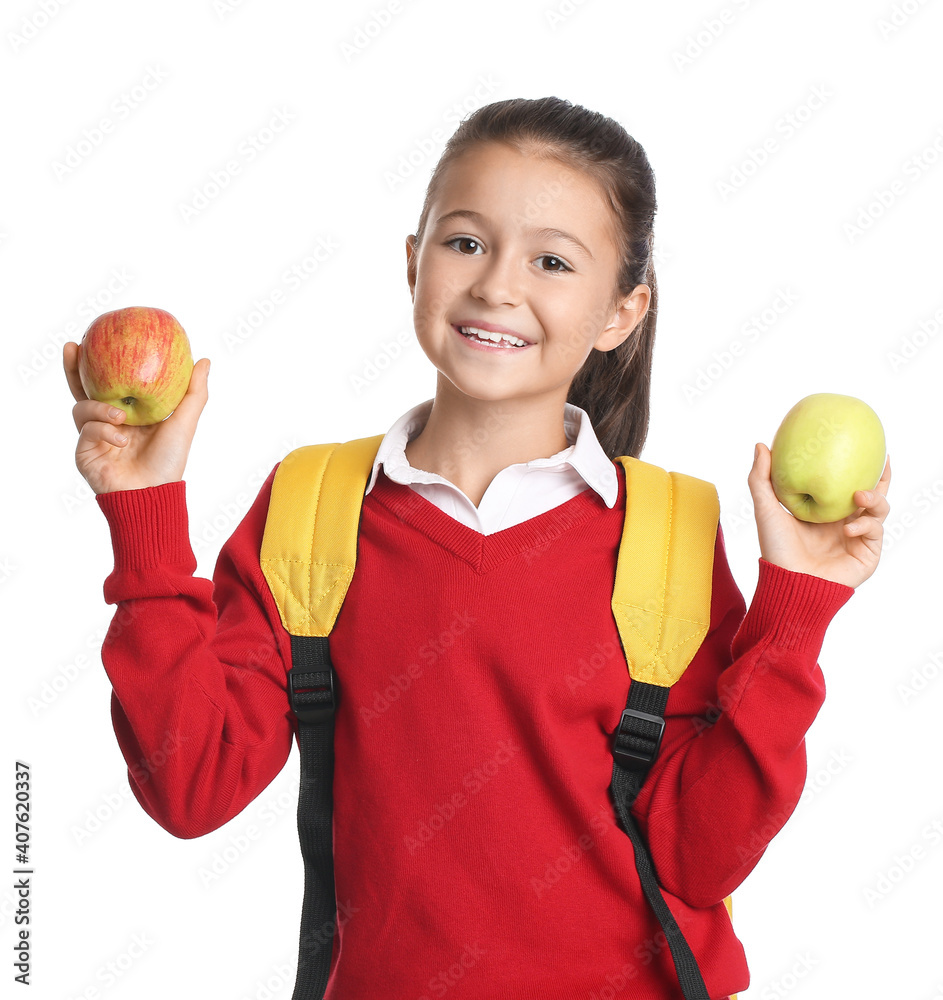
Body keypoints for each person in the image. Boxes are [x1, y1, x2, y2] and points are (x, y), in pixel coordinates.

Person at [63, 96, 891, 999]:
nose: (498, 284)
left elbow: (700, 855)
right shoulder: (309, 508)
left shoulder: (671, 535)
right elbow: (190, 785)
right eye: (464, 242)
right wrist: (143, 516)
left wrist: (792, 613)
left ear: (621, 311)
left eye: (550, 260)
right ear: (413, 262)